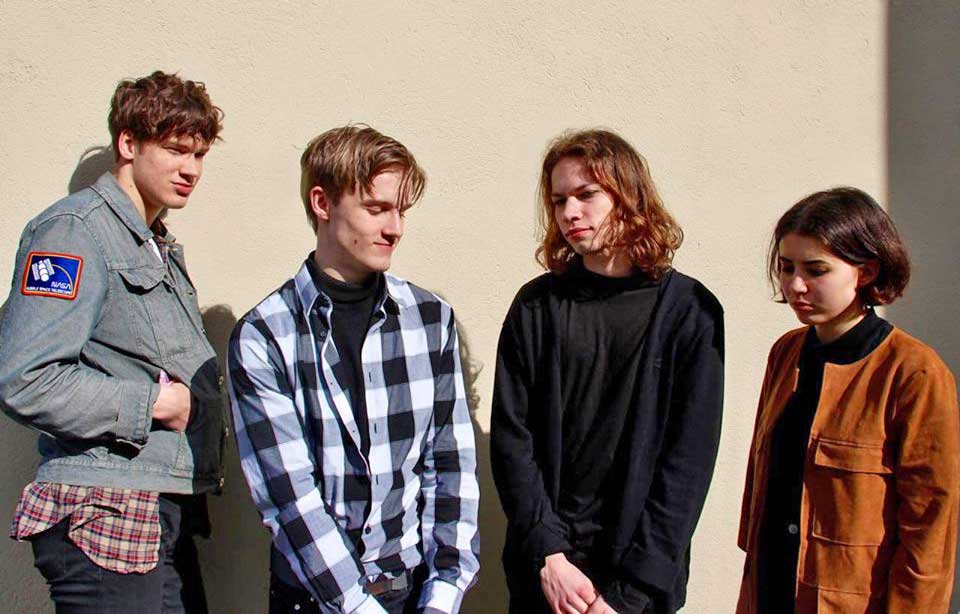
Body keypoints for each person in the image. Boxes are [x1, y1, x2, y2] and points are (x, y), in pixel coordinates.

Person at [227, 125, 480, 614]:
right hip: (314, 599)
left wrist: (445, 591)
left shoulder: (430, 319)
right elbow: (289, 498)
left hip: (414, 593)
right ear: (323, 203)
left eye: (401, 211)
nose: (395, 228)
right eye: (376, 208)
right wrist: (356, 605)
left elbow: (451, 465)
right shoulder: (266, 334)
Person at [0, 71, 225, 613]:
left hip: (155, 508)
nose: (191, 169)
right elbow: (24, 379)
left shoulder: (154, 246)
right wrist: (154, 403)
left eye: (199, 154)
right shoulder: (73, 232)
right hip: (105, 511)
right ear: (128, 143)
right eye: (175, 150)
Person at [491, 129, 724, 614]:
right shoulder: (537, 306)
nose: (570, 213)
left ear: (629, 195)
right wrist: (548, 555)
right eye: (559, 201)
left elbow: (687, 464)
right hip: (548, 578)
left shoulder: (690, 312)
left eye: (587, 194)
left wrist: (628, 595)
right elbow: (513, 439)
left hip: (636, 586)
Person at [736, 187, 960, 613]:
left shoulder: (914, 372)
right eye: (786, 267)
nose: (795, 284)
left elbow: (930, 529)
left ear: (866, 271)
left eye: (816, 270)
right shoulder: (786, 352)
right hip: (771, 592)